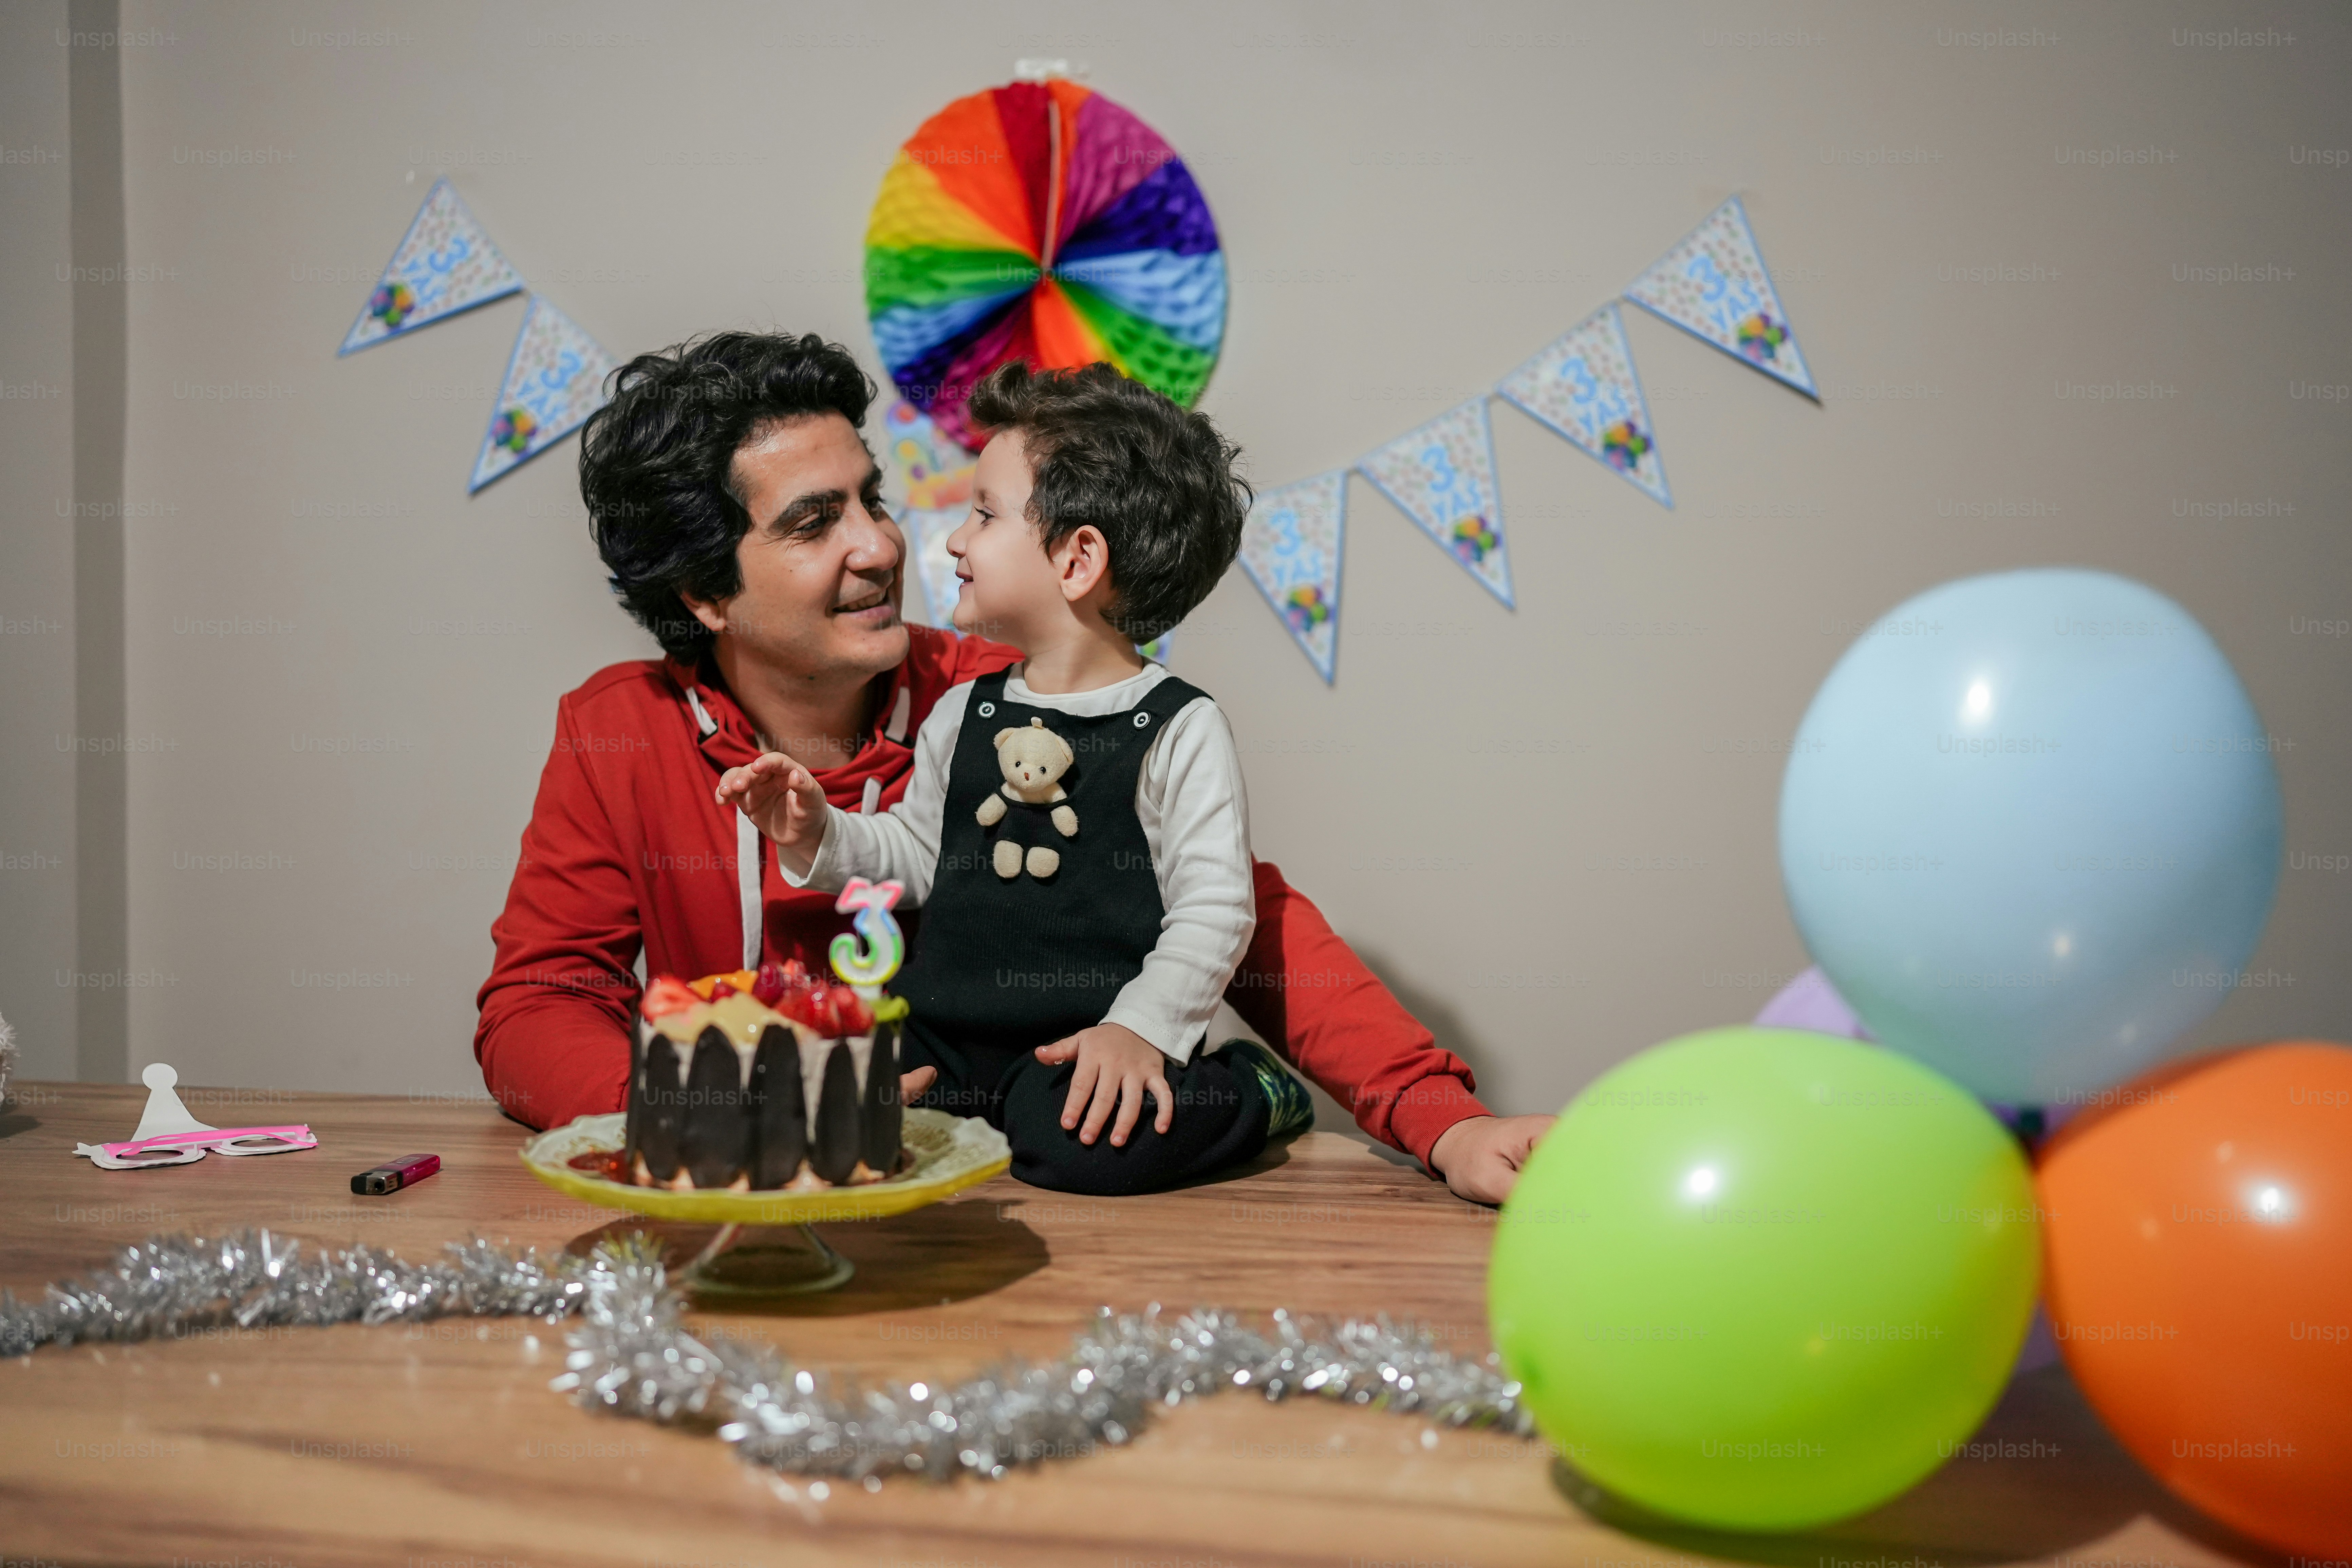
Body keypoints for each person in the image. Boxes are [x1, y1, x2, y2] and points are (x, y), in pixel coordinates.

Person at [471, 331, 1554, 1201]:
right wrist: (703, 1117)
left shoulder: (1008, 698)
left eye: (871, 499)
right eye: (813, 522)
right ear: (706, 595)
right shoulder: (618, 732)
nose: (882, 546)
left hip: (1008, 1210)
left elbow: (1243, 915)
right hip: (749, 1215)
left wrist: (1440, 1118)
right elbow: (541, 999)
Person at [720, 362, 1275, 1193]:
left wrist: (1143, 1031)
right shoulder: (965, 712)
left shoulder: (1178, 728)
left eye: (983, 514)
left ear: (1078, 559)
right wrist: (818, 833)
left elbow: (1215, 909)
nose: (953, 540)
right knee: (823, 1096)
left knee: (1082, 1147)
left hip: (1078, 1043)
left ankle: (1249, 1092)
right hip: (940, 1034)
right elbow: (916, 855)